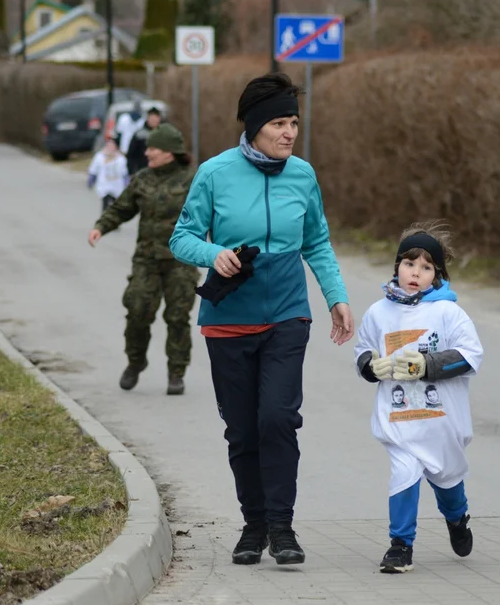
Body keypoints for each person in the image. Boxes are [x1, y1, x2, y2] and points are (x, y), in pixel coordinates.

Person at [169, 72, 353, 568]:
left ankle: (282, 526)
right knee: (243, 429)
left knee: (277, 418)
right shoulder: (214, 173)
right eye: (278, 122)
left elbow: (315, 240)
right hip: (229, 318)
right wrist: (214, 252)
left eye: (294, 122)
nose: (289, 132)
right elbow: (181, 237)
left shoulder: (302, 175)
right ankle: (253, 525)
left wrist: (335, 296)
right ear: (253, 126)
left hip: (287, 314)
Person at [353, 222, 484, 574]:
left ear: (436, 275)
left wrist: (426, 364)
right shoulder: (378, 313)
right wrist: (370, 366)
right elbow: (362, 350)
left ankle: (457, 519)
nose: (416, 273)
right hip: (398, 418)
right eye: (410, 264)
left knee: (448, 480)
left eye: (426, 267)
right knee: (404, 473)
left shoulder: (448, 313)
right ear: (397, 266)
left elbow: (471, 355)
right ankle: (401, 545)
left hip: (442, 421)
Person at [87, 123, 198, 396]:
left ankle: (176, 372)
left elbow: (216, 213)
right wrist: (101, 226)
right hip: (147, 259)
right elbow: (122, 208)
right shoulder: (142, 179)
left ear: (170, 153)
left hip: (181, 261)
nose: (146, 152)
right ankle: (136, 361)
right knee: (137, 311)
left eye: (153, 148)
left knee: (177, 316)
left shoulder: (194, 180)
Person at [87, 134, 130, 213]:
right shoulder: (100, 156)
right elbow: (94, 169)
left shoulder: (120, 158)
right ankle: (105, 221)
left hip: (117, 185)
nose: (110, 147)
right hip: (104, 184)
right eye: (108, 145)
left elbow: (124, 173)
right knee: (105, 204)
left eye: (112, 145)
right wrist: (91, 179)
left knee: (116, 206)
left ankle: (114, 222)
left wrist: (127, 184)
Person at [125, 106, 162, 175]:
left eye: (155, 117)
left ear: (159, 119)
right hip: (143, 170)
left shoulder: (164, 134)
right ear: (147, 118)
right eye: (151, 117)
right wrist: (132, 171)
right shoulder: (139, 135)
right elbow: (131, 155)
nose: (153, 120)